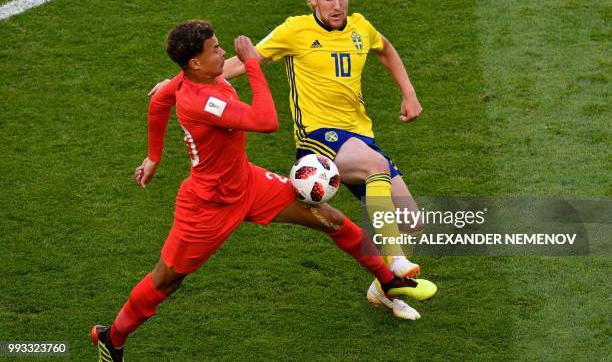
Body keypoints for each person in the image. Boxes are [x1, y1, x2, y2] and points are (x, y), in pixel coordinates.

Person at [91, 20, 429, 361]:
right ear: (196, 63)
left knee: (330, 218)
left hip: (248, 183)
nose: (222, 52)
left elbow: (159, 101)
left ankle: (388, 280)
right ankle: (112, 336)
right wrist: (252, 63)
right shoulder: (203, 101)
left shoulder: (188, 80)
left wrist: (153, 156)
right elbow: (267, 121)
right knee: (167, 281)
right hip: (209, 206)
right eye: (215, 49)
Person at [219, 0, 435, 311]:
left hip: (360, 137)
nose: (337, 5)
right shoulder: (295, 31)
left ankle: (384, 290)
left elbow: (386, 49)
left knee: (413, 221)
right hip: (316, 140)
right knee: (375, 165)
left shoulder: (360, 27)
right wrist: (182, 82)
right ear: (313, 0)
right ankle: (393, 261)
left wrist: (408, 93)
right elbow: (242, 63)